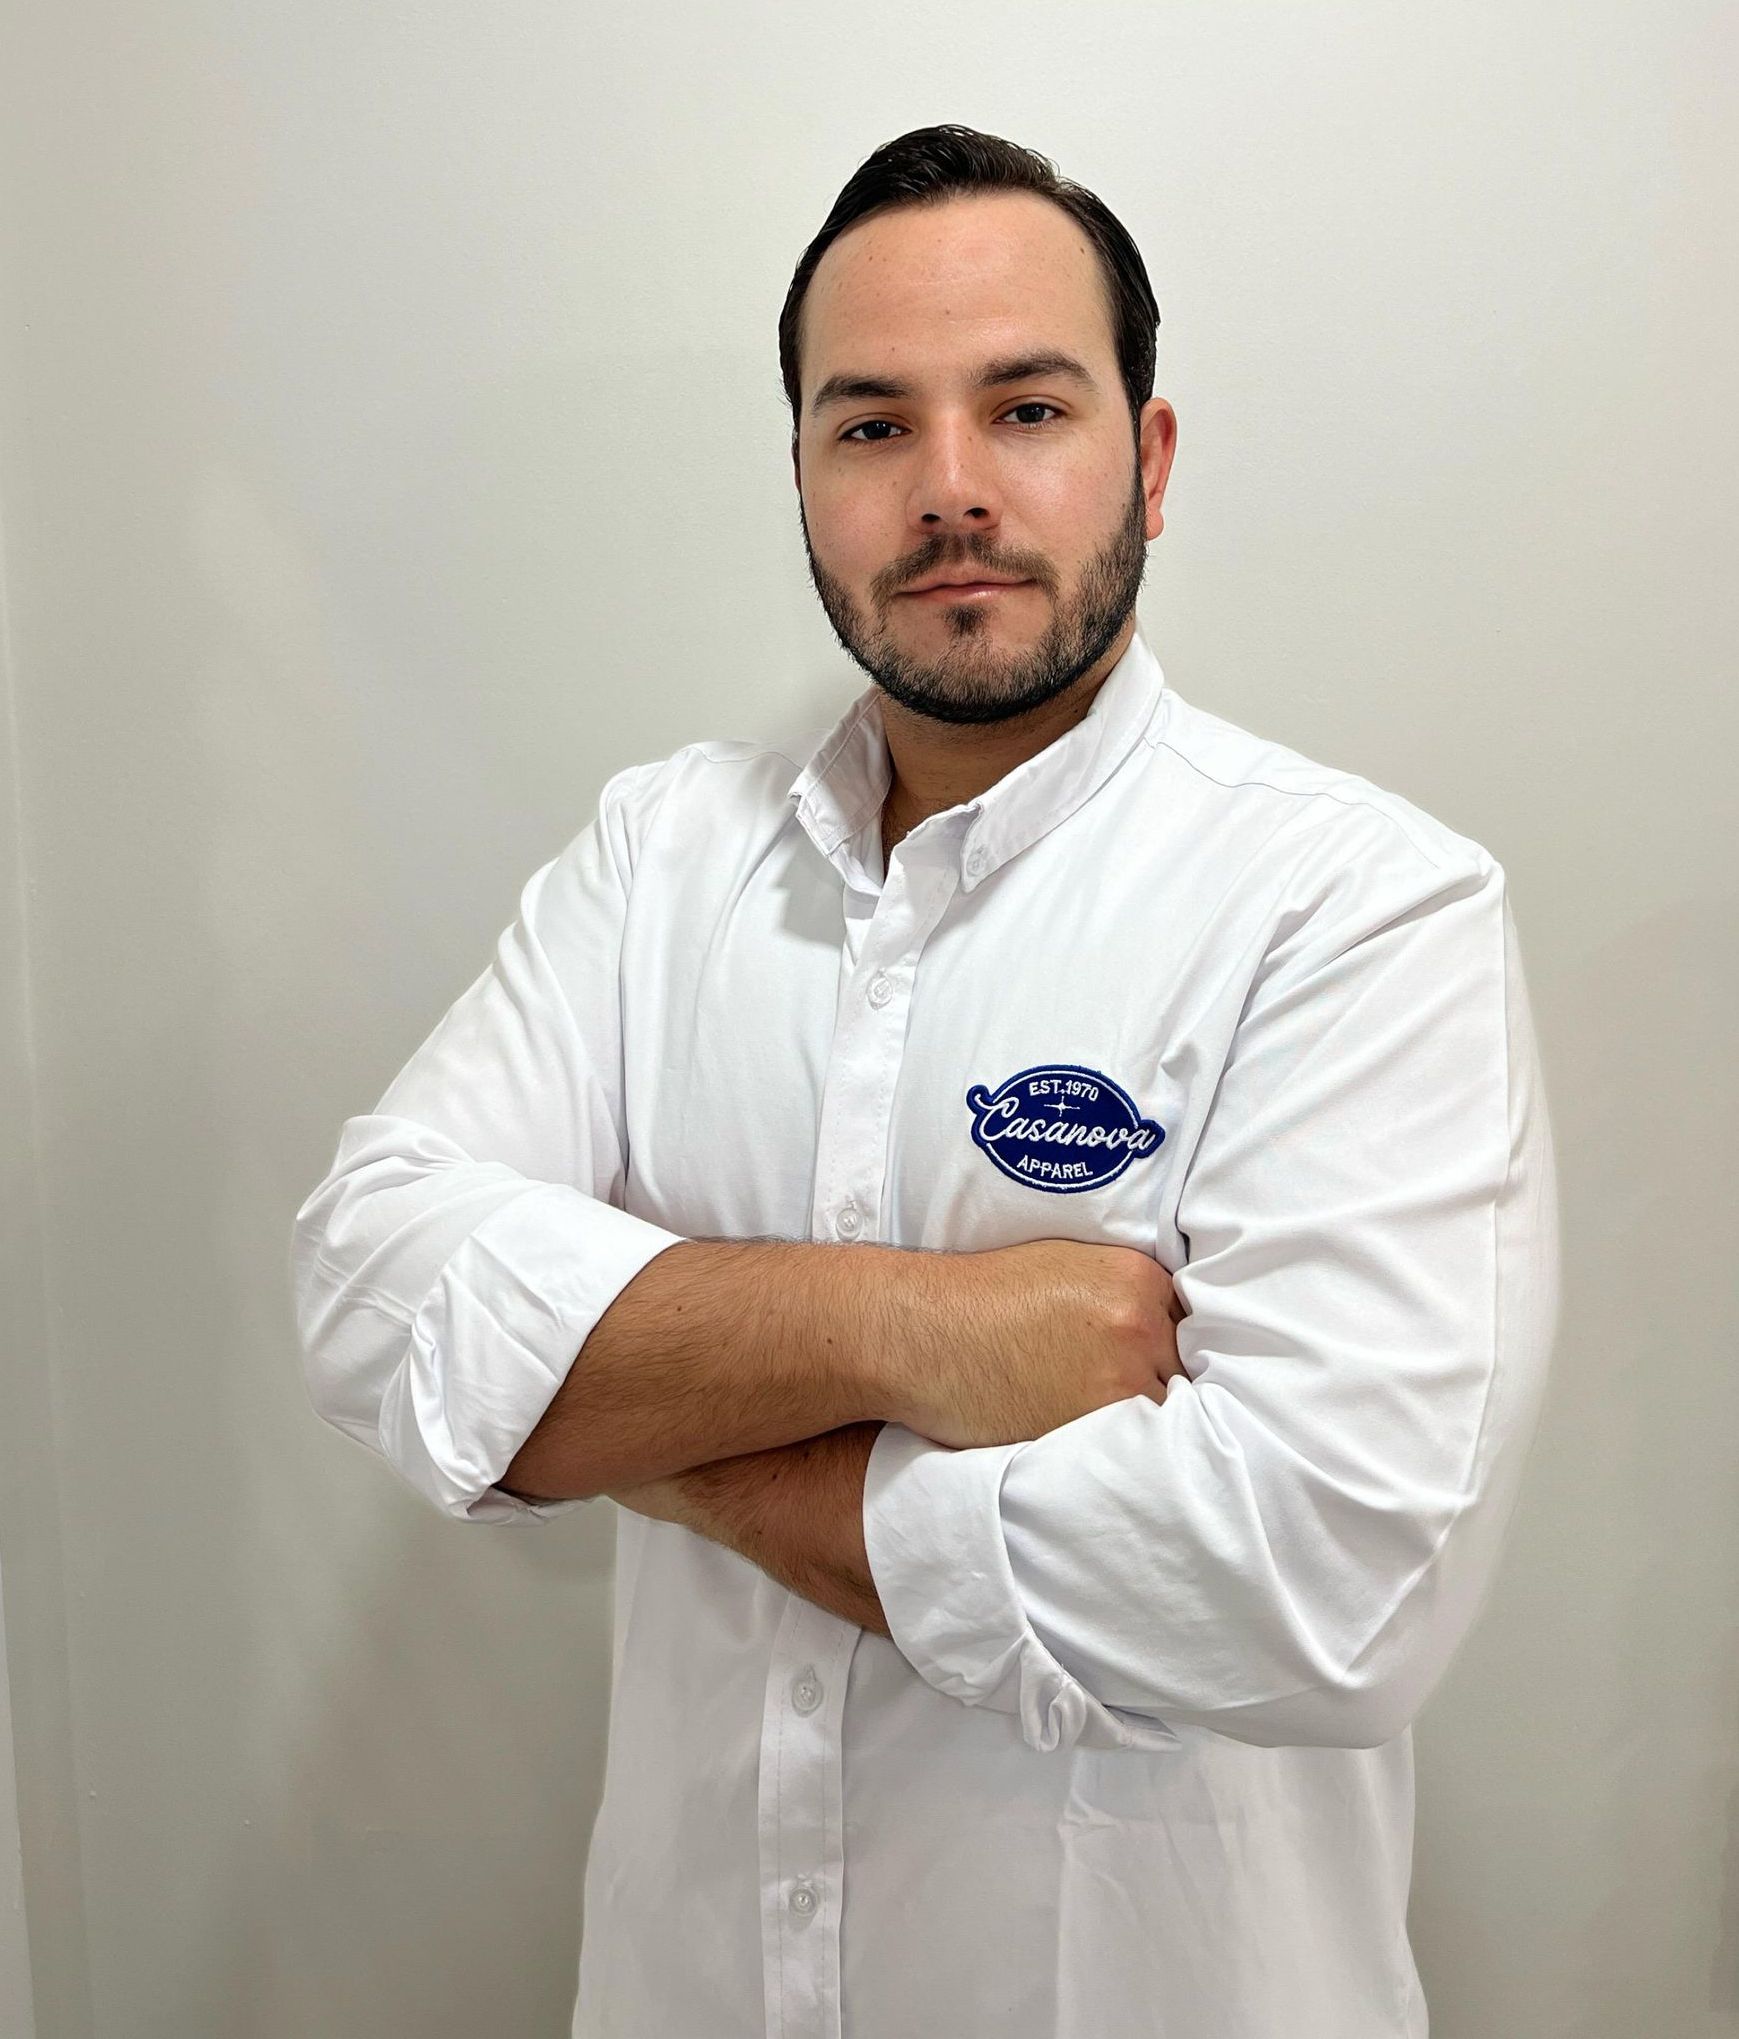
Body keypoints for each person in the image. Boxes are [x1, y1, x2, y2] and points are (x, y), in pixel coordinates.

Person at [290, 122, 1560, 2039]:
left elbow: (1319, 1584)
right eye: (872, 425)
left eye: (1027, 406)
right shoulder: (659, 864)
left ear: (1146, 457)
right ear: (800, 478)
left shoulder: (1358, 907)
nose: (950, 489)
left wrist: (628, 1409)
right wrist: (935, 1332)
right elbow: (370, 1281)